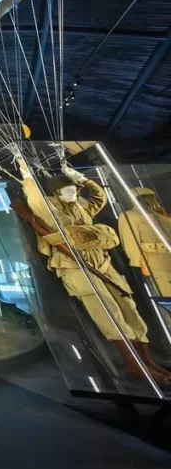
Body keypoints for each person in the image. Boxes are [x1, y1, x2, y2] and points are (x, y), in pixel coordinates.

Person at [13, 158, 171, 384]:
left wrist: (82, 179)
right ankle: (133, 364)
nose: (75, 192)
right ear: (57, 193)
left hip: (102, 263)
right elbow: (34, 197)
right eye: (69, 189)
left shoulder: (80, 205)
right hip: (76, 266)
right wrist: (26, 172)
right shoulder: (47, 208)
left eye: (75, 189)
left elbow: (99, 198)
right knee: (109, 313)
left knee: (129, 309)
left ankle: (146, 361)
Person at [119, 187, 171, 297]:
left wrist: (166, 217)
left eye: (151, 198)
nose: (150, 201)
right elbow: (131, 243)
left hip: (168, 257)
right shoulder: (129, 216)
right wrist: (139, 263)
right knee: (165, 293)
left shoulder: (159, 216)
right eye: (144, 198)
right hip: (152, 262)